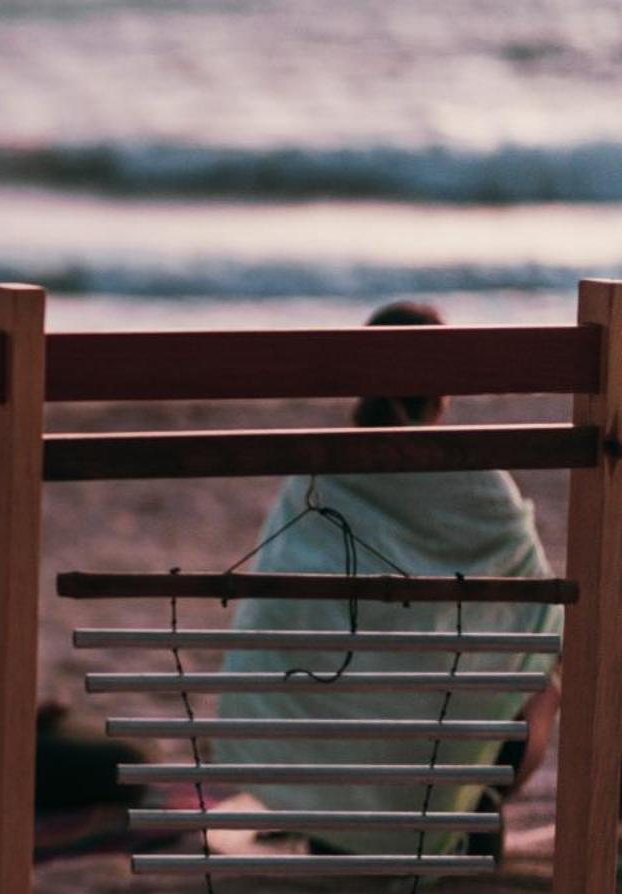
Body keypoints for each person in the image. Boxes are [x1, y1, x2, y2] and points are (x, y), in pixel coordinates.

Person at [210, 301, 561, 854]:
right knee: (543, 670)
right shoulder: (479, 484)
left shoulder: (316, 473)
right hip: (436, 750)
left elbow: (270, 621)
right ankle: (453, 797)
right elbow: (542, 615)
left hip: (328, 756)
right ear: (445, 392)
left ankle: (330, 806)